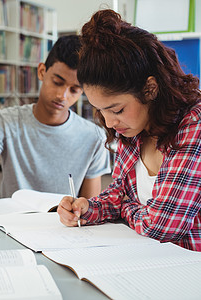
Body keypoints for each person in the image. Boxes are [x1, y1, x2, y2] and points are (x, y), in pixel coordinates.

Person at [57, 10, 201, 252]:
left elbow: (162, 227)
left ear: (150, 89)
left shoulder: (194, 124)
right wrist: (87, 208)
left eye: (117, 109)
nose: (110, 122)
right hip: (145, 260)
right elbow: (118, 193)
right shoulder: (133, 127)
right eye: (100, 110)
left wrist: (125, 207)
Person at [0, 35, 111, 215]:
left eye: (74, 90)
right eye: (57, 82)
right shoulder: (6, 121)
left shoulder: (94, 137)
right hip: (12, 228)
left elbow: (89, 210)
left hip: (64, 233)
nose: (62, 95)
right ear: (42, 71)